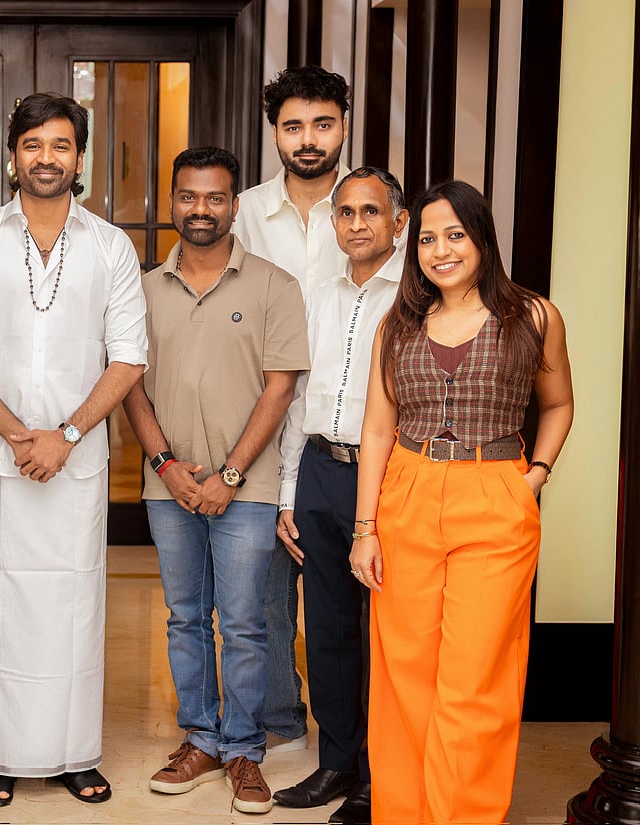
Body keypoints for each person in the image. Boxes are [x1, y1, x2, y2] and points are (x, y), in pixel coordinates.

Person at [0, 92, 147, 808]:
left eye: (61, 145)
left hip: (76, 464)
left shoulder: (111, 246)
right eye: (33, 145)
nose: (46, 158)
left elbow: (128, 357)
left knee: (72, 608)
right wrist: (19, 434)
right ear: (12, 155)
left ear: (80, 158)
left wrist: (67, 436)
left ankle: (71, 753)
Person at [350, 180, 573, 823]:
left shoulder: (533, 317)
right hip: (408, 492)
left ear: (482, 238)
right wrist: (366, 529)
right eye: (427, 238)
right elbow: (377, 430)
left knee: (475, 679)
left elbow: (559, 403)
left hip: (495, 491)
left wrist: (533, 476)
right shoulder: (397, 326)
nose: (441, 250)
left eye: (455, 234)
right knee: (405, 674)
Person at [124, 147, 309, 814]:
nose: (200, 209)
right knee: (185, 619)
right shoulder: (143, 289)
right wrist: (166, 466)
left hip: (247, 489)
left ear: (234, 205)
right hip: (168, 487)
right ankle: (200, 739)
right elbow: (130, 386)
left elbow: (280, 388)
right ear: (171, 201)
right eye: (188, 196)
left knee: (246, 623)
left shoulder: (275, 285)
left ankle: (244, 750)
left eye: (215, 197)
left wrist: (229, 474)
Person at [273, 167, 407, 825]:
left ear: (398, 222)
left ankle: (381, 774)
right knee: (325, 628)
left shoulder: (416, 299)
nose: (357, 223)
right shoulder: (318, 296)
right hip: (321, 472)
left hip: (390, 476)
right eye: (346, 212)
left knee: (385, 632)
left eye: (371, 212)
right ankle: (337, 762)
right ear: (334, 224)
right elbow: (299, 396)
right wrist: (288, 491)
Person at [233, 65, 353, 755]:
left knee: (345, 597)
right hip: (263, 420)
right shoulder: (243, 211)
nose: (308, 139)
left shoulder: (371, 205)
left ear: (343, 125)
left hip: (348, 425)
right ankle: (280, 717)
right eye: (293, 126)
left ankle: (355, 732)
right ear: (274, 132)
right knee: (264, 592)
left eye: (322, 123)